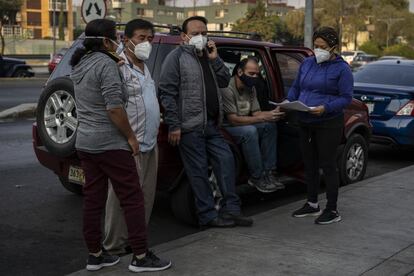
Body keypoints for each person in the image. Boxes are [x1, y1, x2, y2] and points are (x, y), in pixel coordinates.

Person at [70, 19, 171, 272]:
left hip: (86, 142)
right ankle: (140, 256)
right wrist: (131, 137)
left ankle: (95, 255)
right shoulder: (109, 64)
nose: (116, 41)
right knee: (132, 199)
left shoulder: (81, 63)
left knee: (93, 200)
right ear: (107, 41)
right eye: (114, 37)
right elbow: (114, 108)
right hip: (110, 143)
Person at [159, 16, 253, 228]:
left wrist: (215, 59)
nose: (200, 37)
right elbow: (167, 92)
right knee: (199, 172)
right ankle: (208, 216)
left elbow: (223, 82)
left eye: (204, 33)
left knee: (226, 161)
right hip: (189, 127)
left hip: (211, 125)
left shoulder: (208, 57)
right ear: (184, 37)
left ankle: (232, 210)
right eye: (195, 34)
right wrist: (174, 125)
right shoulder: (176, 58)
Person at [102, 19, 160, 256]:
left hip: (150, 142)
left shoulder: (145, 65)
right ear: (126, 39)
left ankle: (135, 242)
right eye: (140, 38)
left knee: (145, 196)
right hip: (128, 143)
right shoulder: (117, 65)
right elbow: (113, 107)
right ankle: (114, 246)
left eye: (149, 39)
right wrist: (129, 137)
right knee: (120, 198)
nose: (146, 43)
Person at [289, 27, 353, 225]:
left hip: (328, 122)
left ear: (334, 47)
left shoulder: (342, 69)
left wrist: (325, 108)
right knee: (309, 165)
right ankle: (312, 204)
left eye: (322, 47)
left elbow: (346, 98)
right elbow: (296, 87)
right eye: (315, 46)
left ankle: (332, 209)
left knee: (328, 165)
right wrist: (288, 103)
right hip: (305, 120)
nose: (318, 50)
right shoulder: (307, 63)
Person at [222, 57, 285, 193]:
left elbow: (256, 112)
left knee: (269, 126)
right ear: (239, 72)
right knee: (250, 132)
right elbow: (233, 120)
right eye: (251, 74)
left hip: (244, 122)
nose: (255, 77)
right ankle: (256, 176)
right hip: (228, 128)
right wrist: (263, 118)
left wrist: (271, 114)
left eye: (257, 74)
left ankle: (269, 172)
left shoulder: (251, 88)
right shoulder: (228, 88)